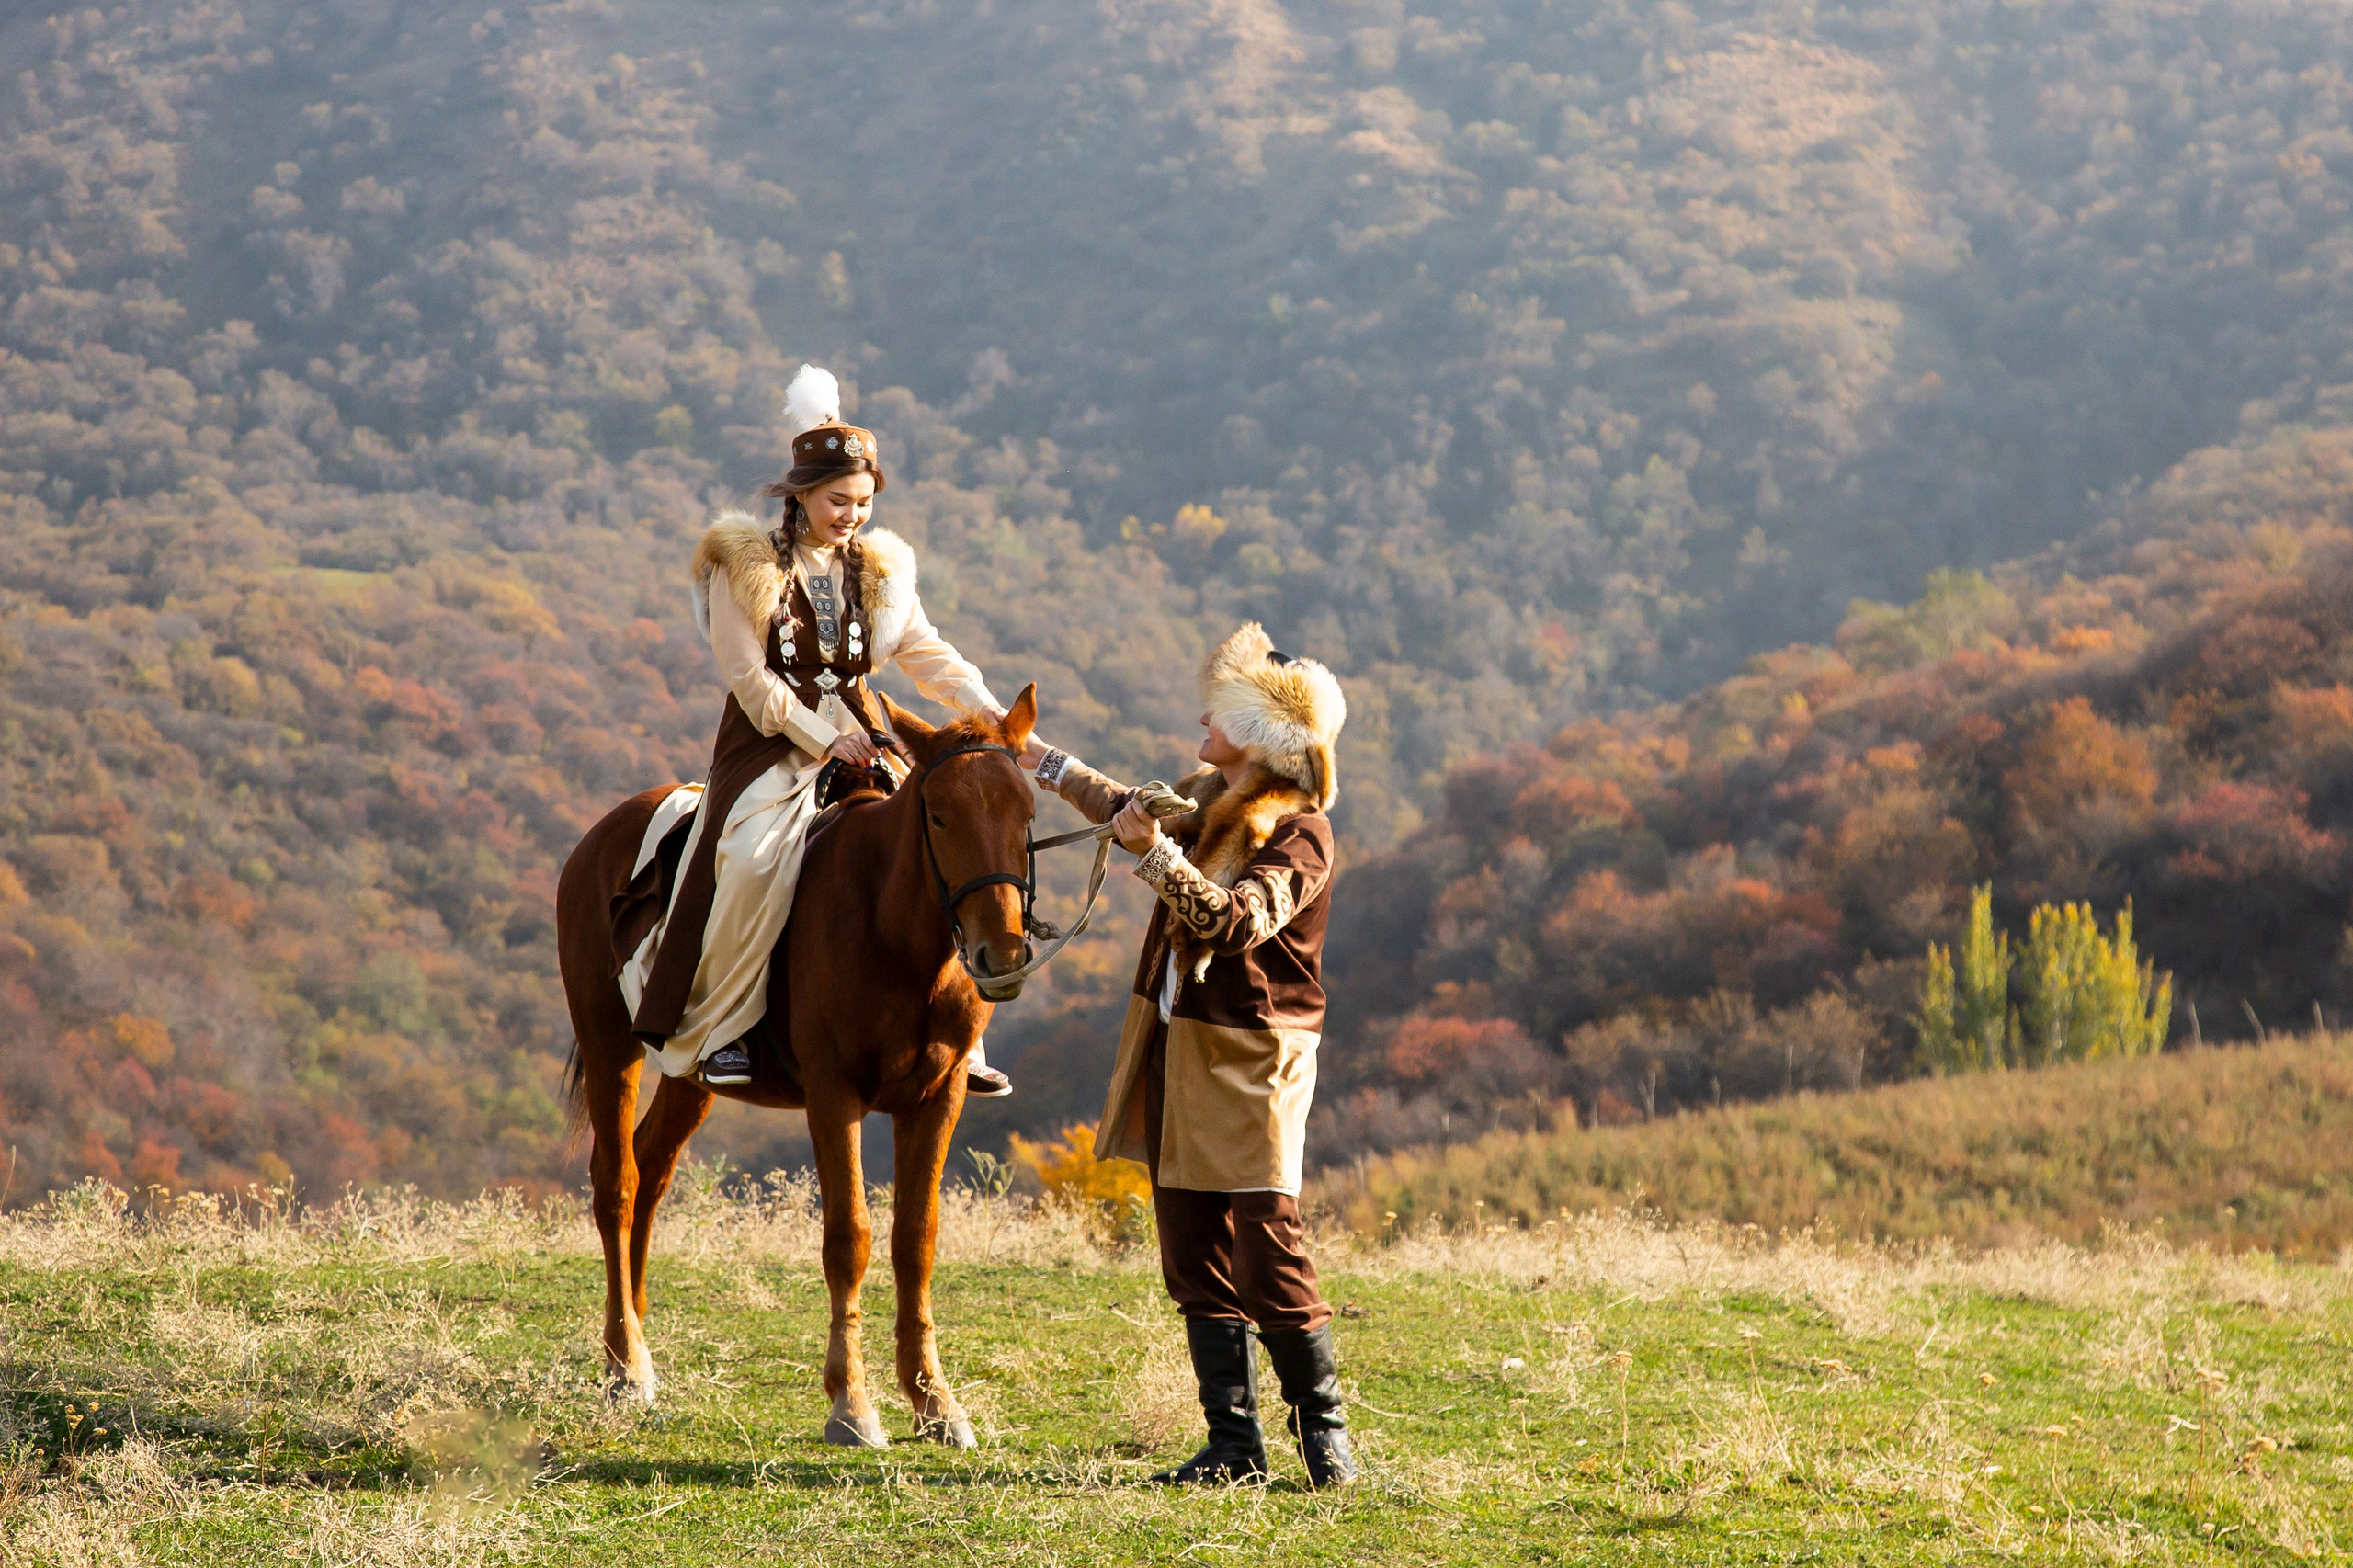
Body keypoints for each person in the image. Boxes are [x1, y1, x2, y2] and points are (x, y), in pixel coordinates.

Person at [621, 363, 1027, 1096]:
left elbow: (926, 652)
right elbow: (749, 680)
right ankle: (727, 1029)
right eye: (838, 500)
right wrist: (821, 737)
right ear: (800, 494)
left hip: (871, 738)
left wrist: (990, 711)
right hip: (771, 743)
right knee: (747, 859)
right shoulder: (740, 564)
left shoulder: (881, 569)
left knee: (955, 838)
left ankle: (960, 1037)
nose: (851, 516)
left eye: (863, 502)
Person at [1029, 625, 1357, 1488]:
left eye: (1221, 711)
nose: (1202, 720)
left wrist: (1155, 854)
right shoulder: (1208, 794)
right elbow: (1122, 806)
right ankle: (1235, 1447)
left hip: (1259, 1056)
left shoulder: (1305, 836)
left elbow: (1233, 921)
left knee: (1267, 1244)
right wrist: (1036, 756)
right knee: (1190, 1249)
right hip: (1178, 1043)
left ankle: (1326, 1444)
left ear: (1257, 734)